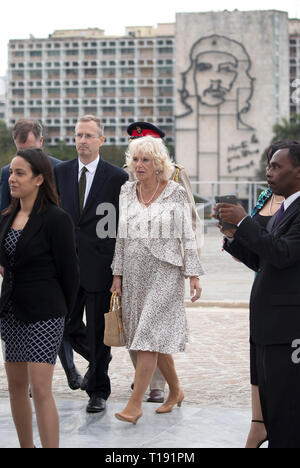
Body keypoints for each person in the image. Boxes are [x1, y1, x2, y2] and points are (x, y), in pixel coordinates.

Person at [111, 135, 203, 424]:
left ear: (158, 163)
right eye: (135, 159)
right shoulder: (126, 191)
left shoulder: (174, 192)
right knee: (148, 336)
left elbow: (187, 234)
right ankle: (175, 391)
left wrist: (193, 274)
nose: (139, 165)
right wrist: (117, 275)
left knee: (148, 336)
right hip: (135, 274)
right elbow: (121, 235)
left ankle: (135, 404)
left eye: (145, 160)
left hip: (165, 271)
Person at [215, 144, 300, 448]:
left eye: (277, 166)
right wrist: (234, 237)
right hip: (269, 327)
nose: (269, 171)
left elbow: (283, 254)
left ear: (298, 171)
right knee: (274, 411)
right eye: (268, 166)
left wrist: (244, 222)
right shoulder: (285, 208)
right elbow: (265, 261)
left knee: (287, 414)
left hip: (288, 330)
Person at [0, 148, 79, 448]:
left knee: (41, 389)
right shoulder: (7, 216)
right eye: (11, 172)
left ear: (39, 179)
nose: (12, 178)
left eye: (20, 173)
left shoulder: (56, 219)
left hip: (46, 314)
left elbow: (70, 274)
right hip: (11, 313)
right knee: (16, 387)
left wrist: (63, 316)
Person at [54, 115, 128, 413]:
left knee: (98, 330)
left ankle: (98, 390)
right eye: (78, 135)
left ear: (101, 140)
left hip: (101, 266)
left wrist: (118, 271)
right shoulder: (61, 173)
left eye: (88, 135)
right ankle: (99, 361)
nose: (82, 141)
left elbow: (123, 227)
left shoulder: (116, 178)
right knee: (65, 326)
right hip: (66, 266)